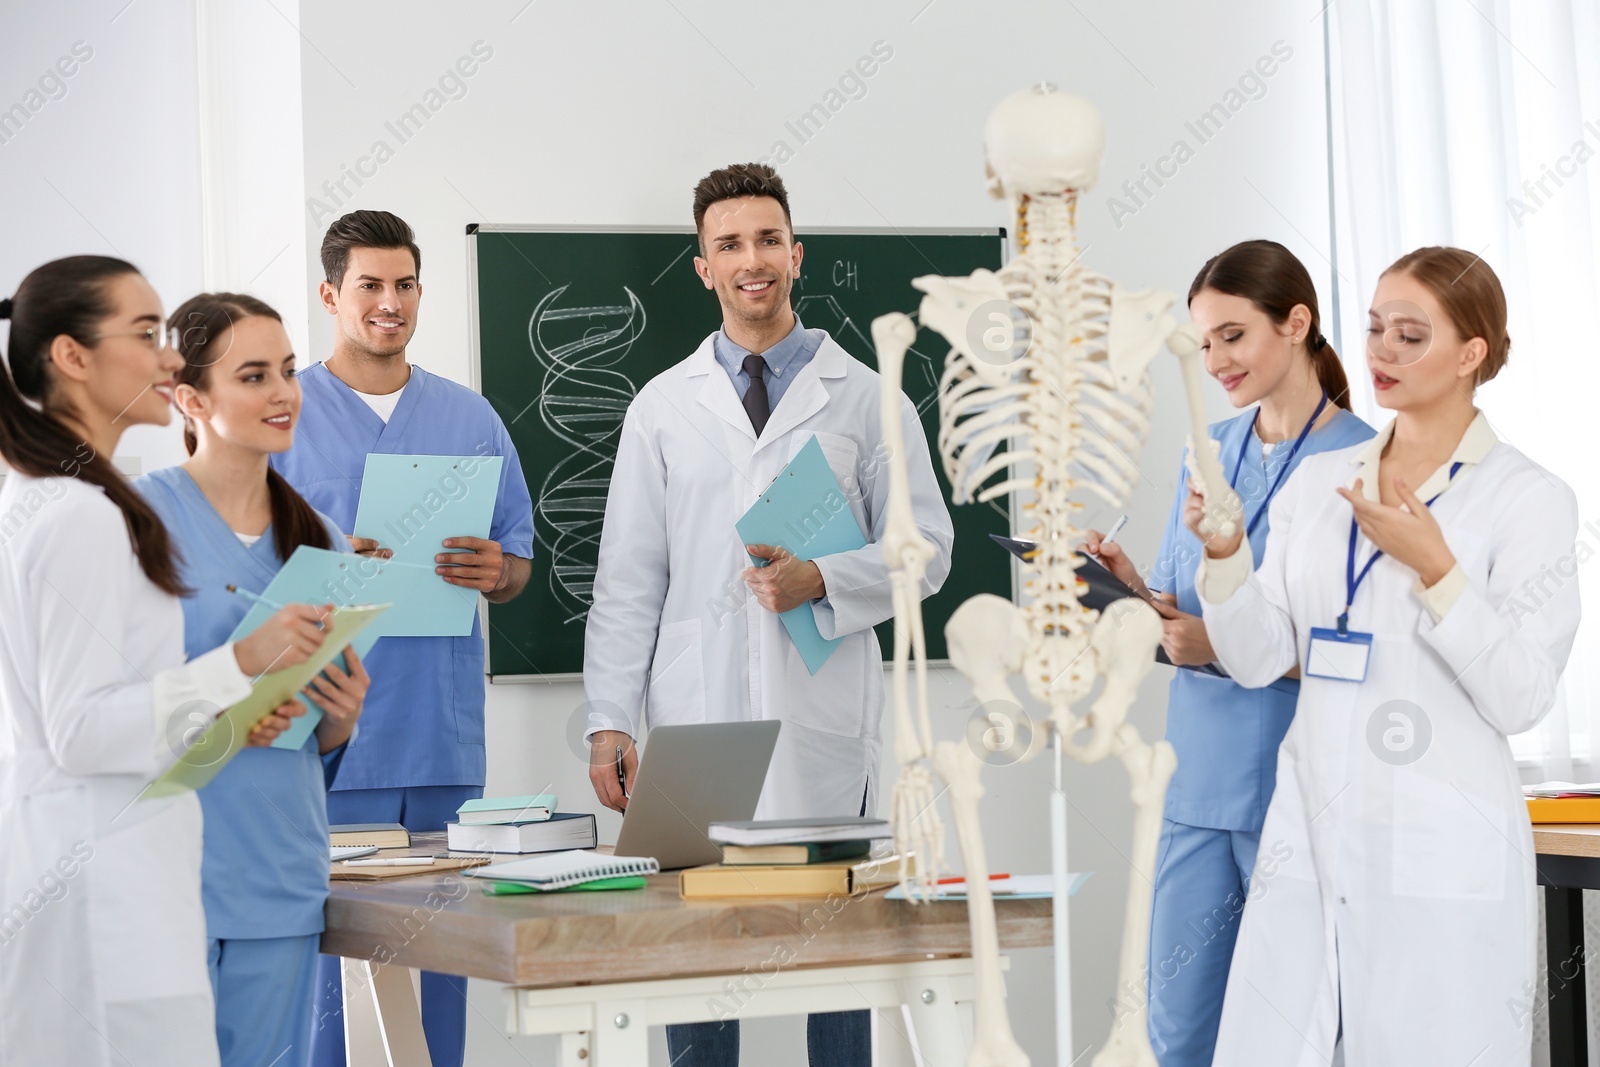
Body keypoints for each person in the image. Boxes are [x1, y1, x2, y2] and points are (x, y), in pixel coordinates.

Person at [582, 163, 954, 1067]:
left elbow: (928, 552)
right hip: (694, 724)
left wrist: (822, 578)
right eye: (729, 244)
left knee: (838, 964)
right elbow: (628, 578)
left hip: (819, 722)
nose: (753, 260)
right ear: (703, 266)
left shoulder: (869, 399)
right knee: (699, 969)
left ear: (797, 252)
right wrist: (607, 724)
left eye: (767, 239)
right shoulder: (662, 407)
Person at [1191, 247, 1579, 1064]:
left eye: (1410, 335)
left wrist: (1437, 568)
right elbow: (1260, 657)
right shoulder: (1321, 484)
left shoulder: (1529, 498)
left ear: (1472, 353)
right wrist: (1225, 554)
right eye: (1373, 330)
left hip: (1436, 855)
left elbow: (1522, 695)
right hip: (1309, 844)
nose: (1380, 352)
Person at [0, 257, 329, 1066]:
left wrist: (230, 719)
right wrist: (242, 662)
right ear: (74, 357)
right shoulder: (80, 515)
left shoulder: (51, 497)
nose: (169, 358)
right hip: (107, 898)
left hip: (105, 882)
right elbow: (82, 730)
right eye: (147, 335)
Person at [1082, 240, 1373, 1065]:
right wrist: (1130, 587)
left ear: (1297, 324)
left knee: (1292, 1035)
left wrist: (1229, 643)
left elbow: (1366, 645)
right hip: (1198, 778)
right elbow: (1186, 611)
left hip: (1296, 780)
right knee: (1178, 1033)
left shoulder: (1363, 461)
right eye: (1203, 342)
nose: (1214, 360)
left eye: (1233, 337)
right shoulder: (1206, 448)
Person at [270, 210, 536, 1067]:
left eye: (405, 285)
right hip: (330, 739)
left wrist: (497, 569)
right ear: (330, 295)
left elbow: (520, 564)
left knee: (442, 967)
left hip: (439, 737)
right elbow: (242, 578)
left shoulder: (471, 419)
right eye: (370, 286)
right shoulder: (285, 417)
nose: (391, 303)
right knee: (329, 972)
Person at [136, 292, 369, 1067]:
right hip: (168, 874)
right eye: (255, 375)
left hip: (277, 867)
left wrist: (339, 720)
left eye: (290, 372)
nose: (284, 393)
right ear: (190, 398)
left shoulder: (321, 539)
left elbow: (317, 738)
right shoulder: (138, 523)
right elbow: (112, 708)